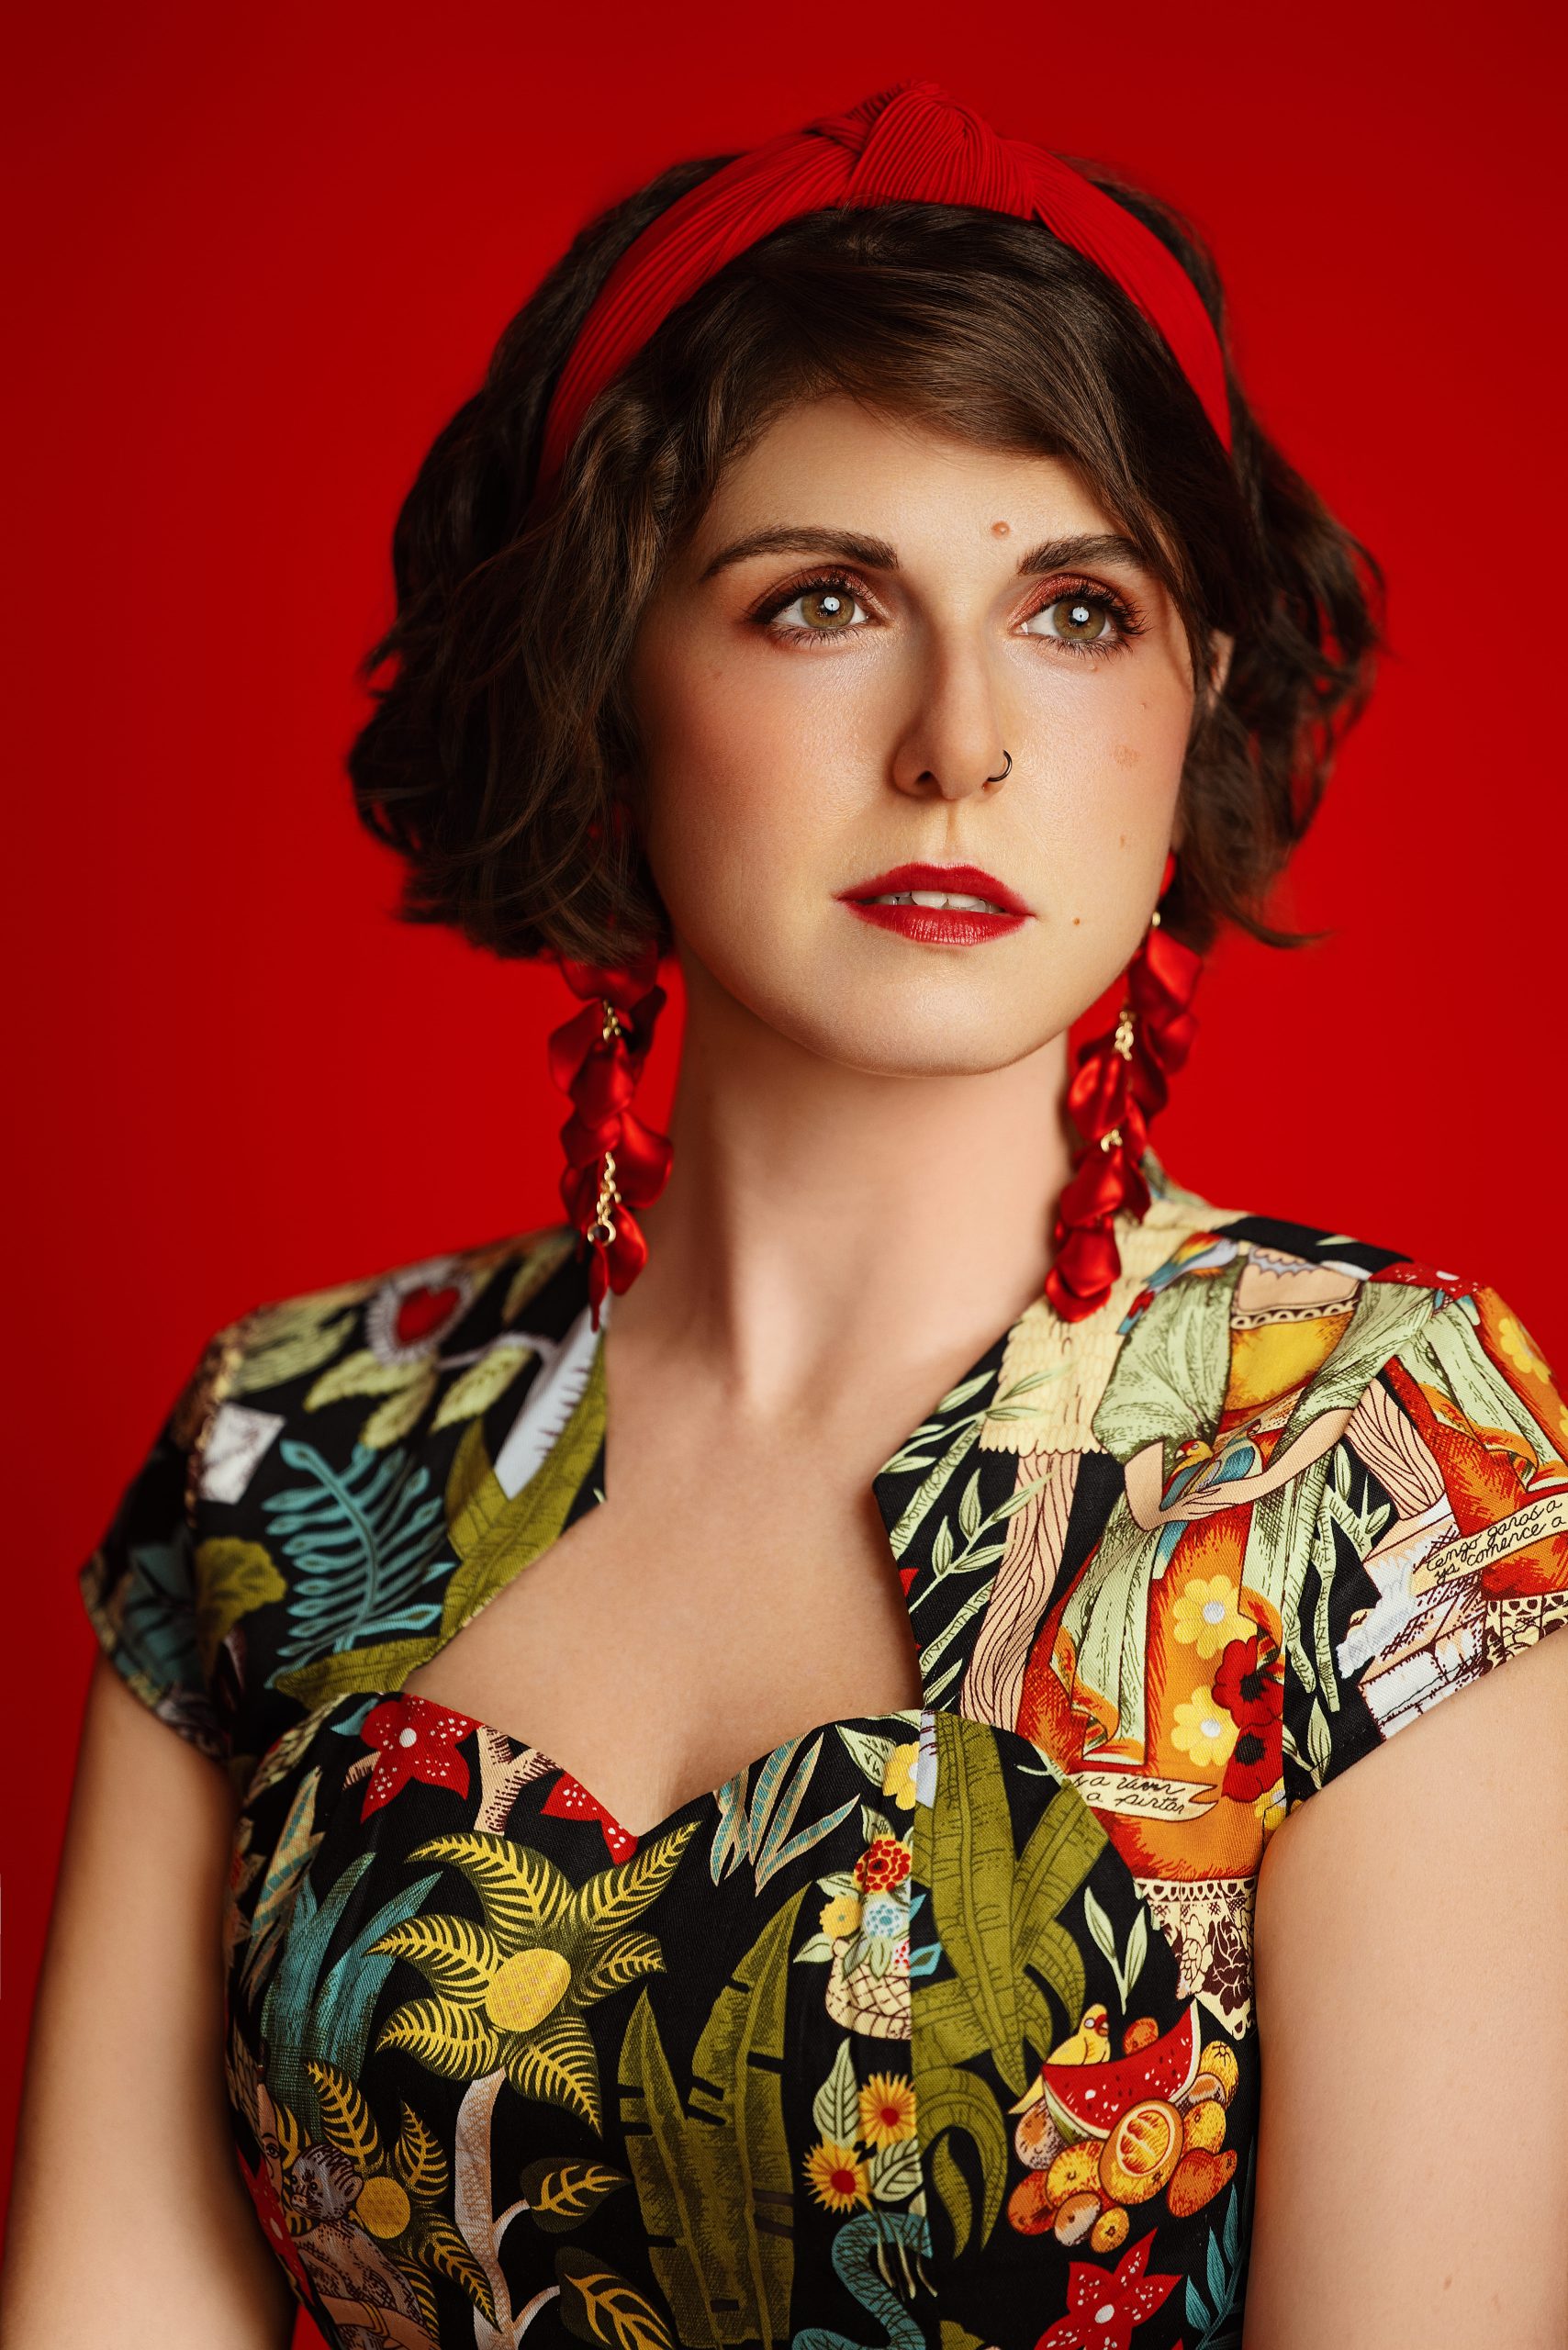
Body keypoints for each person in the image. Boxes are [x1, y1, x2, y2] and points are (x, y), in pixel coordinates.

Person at [7, 76, 1565, 2350]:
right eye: (819, 600)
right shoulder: (285, 1444)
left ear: (1197, 690)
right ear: (604, 679)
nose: (958, 740)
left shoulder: (1378, 1452)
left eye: (1075, 609)